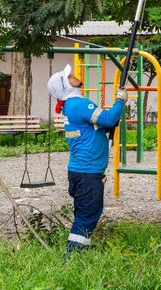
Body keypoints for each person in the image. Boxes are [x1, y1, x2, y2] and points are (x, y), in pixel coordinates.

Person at [46, 64, 127, 253]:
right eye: (69, 76)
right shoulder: (78, 104)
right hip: (87, 173)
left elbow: (100, 125)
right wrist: (120, 100)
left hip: (80, 171)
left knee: (84, 214)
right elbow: (108, 119)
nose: (74, 75)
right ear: (64, 85)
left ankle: (77, 253)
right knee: (87, 216)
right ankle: (72, 256)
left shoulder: (70, 106)